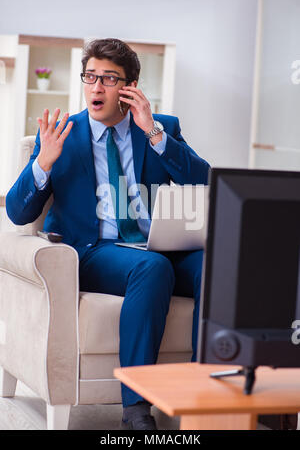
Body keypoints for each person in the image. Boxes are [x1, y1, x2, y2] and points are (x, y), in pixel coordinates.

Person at [6, 38, 210, 430]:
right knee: (151, 269)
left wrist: (154, 134)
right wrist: (43, 163)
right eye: (90, 77)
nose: (96, 88)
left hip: (157, 245)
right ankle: (136, 408)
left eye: (109, 79)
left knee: (215, 266)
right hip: (95, 250)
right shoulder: (62, 135)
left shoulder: (160, 127)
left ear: (130, 87)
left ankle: (204, 390)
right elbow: (18, 213)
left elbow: (204, 181)